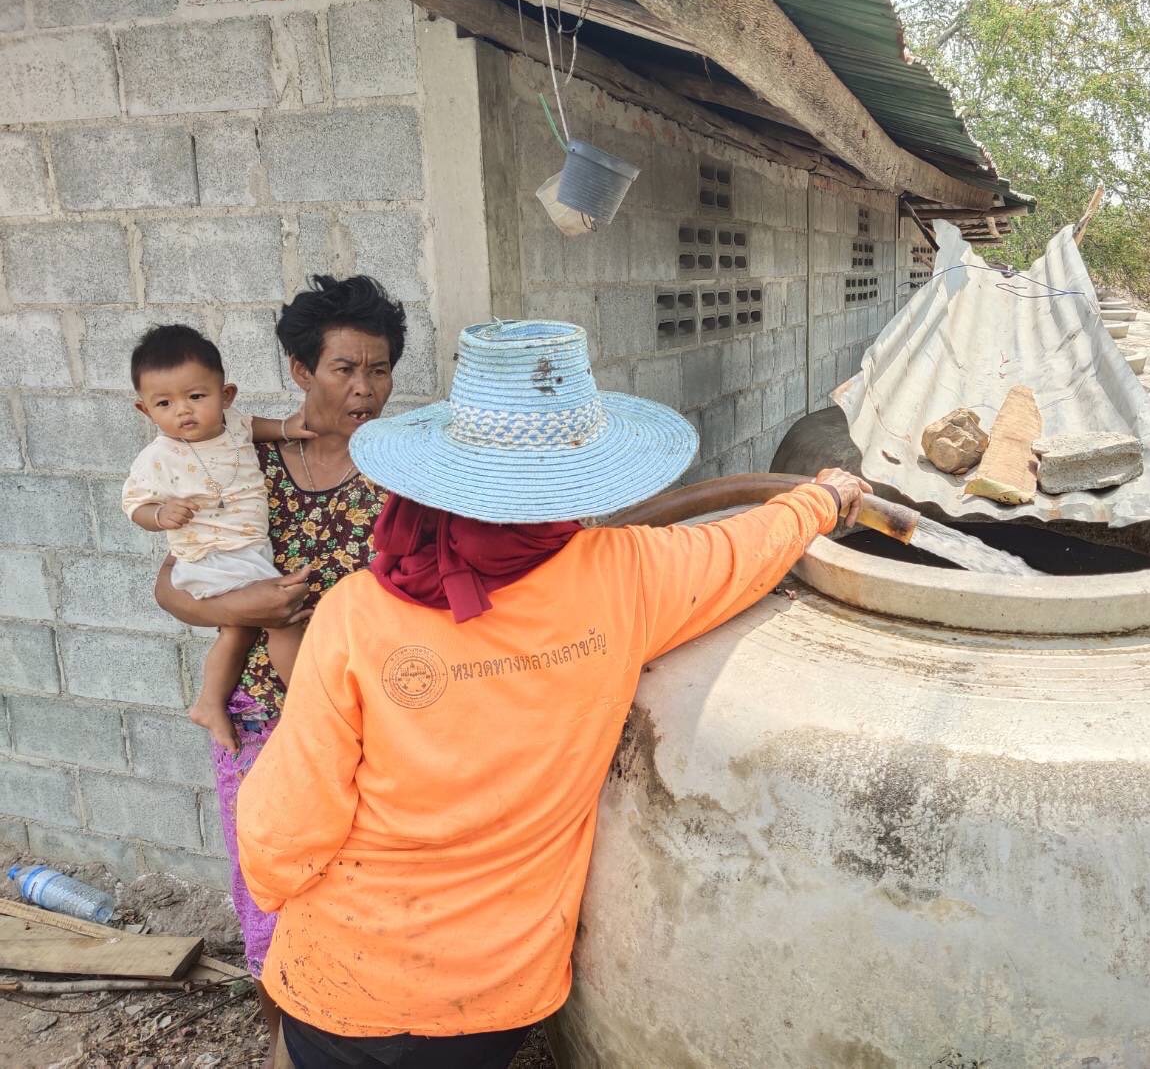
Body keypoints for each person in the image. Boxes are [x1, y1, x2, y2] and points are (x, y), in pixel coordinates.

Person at [236, 320, 870, 1069]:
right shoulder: (629, 574)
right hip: (493, 994)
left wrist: (274, 890)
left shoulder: (356, 612)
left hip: (345, 978)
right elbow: (744, 547)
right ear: (578, 476)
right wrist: (822, 499)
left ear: (438, 478)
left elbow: (286, 827)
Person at [152, 275, 406, 1065]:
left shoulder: (408, 474)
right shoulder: (241, 462)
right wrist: (249, 607)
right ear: (300, 370)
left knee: (366, 895)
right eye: (344, 369)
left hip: (370, 728)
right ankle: (283, 1042)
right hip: (260, 719)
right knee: (269, 890)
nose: (364, 388)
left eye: (379, 369)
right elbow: (171, 586)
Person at [124, 324, 316, 752]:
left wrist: (288, 428)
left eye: (196, 396)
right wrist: (159, 515)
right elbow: (134, 505)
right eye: (164, 403)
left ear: (225, 395)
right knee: (283, 619)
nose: (183, 411)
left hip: (247, 549)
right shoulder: (157, 458)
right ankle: (309, 705)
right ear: (145, 410)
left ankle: (209, 702)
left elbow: (257, 427)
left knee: (237, 630)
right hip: (210, 555)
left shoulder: (234, 426)